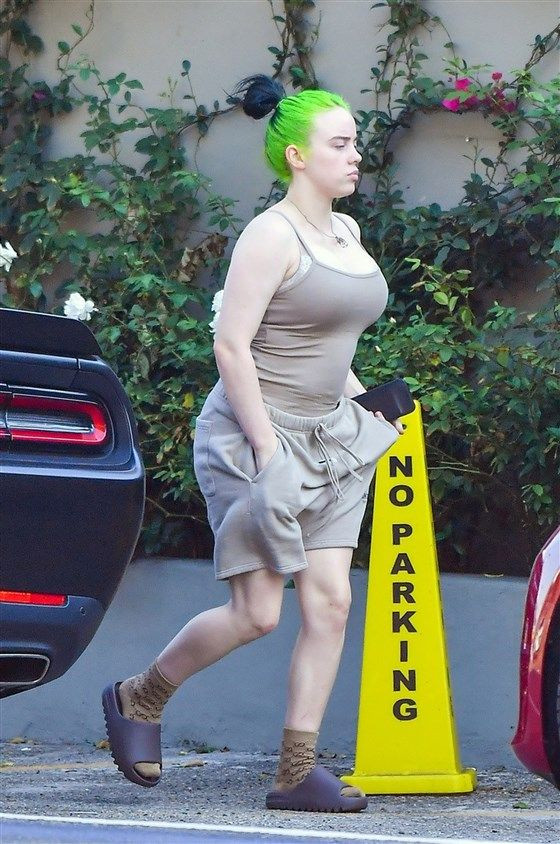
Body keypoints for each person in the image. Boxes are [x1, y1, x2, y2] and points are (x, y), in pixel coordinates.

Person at [102, 73, 404, 813]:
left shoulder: (347, 232)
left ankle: (297, 771)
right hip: (253, 435)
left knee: (331, 604)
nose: (355, 155)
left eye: (355, 142)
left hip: (333, 436)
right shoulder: (271, 236)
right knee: (259, 612)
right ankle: (140, 697)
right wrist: (268, 449)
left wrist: (367, 408)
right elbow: (232, 346)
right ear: (298, 155)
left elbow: (330, 340)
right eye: (341, 144)